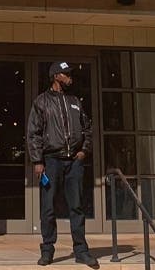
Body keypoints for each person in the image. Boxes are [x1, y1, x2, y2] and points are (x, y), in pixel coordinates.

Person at [27, 61, 99, 269]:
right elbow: (33, 133)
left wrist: (84, 151)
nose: (70, 77)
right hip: (51, 161)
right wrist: (37, 160)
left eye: (69, 74)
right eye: (66, 74)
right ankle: (47, 250)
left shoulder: (75, 101)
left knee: (76, 206)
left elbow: (87, 128)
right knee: (48, 208)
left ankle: (81, 251)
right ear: (56, 76)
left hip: (74, 162)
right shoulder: (41, 102)